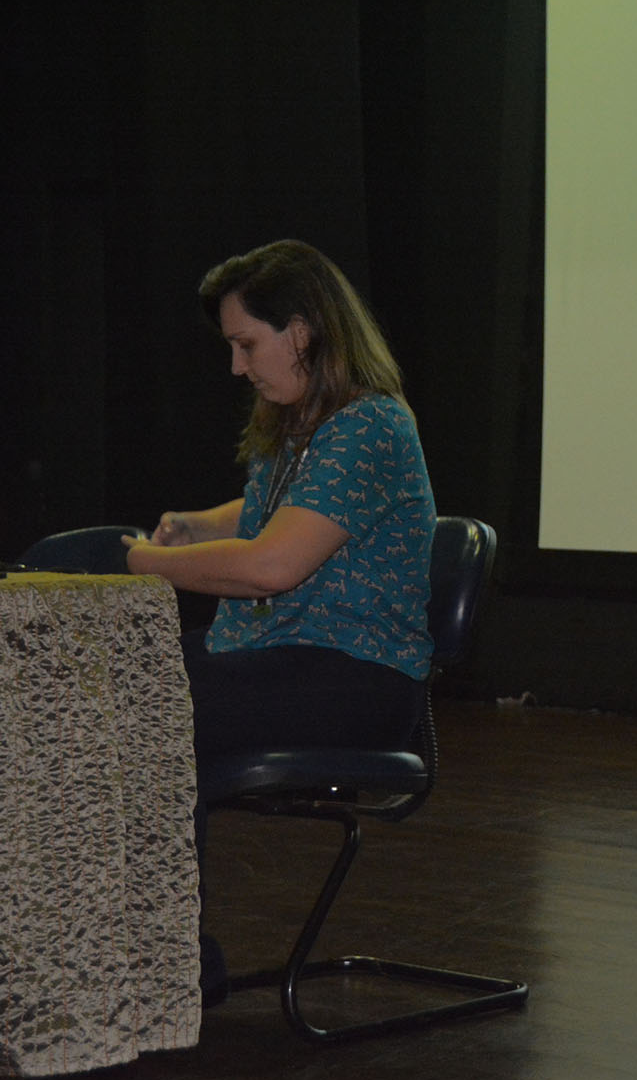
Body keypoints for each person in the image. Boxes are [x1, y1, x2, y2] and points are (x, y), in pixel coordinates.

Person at [126, 239, 435, 1001]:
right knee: (121, 679)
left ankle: (168, 965)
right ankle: (142, 952)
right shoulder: (301, 423)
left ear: (300, 331)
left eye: (246, 344)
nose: (237, 367)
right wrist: (197, 526)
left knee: (147, 697)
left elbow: (271, 564)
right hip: (286, 657)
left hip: (359, 679)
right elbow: (278, 510)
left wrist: (143, 562)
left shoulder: (372, 426)